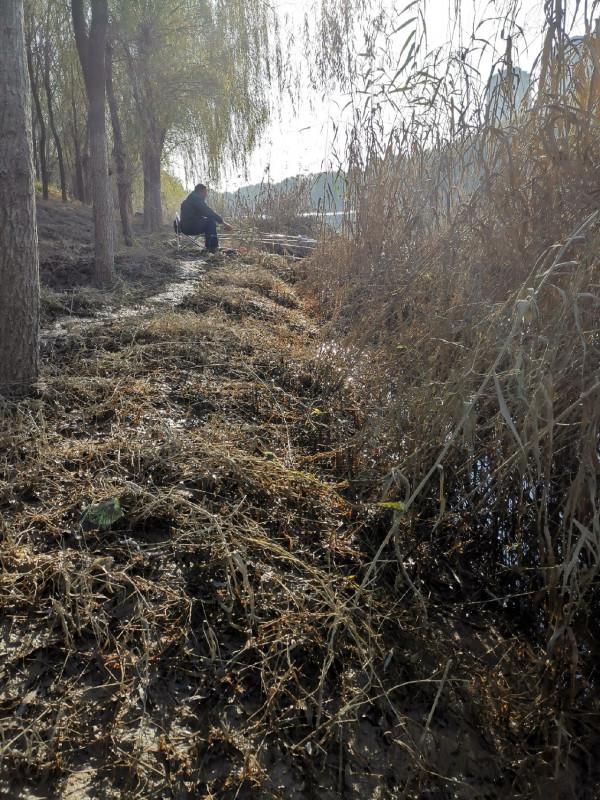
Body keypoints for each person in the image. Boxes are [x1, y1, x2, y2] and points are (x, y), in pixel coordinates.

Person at [179, 183, 233, 252]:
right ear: (200, 192)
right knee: (210, 221)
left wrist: (219, 224)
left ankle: (210, 246)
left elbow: (203, 214)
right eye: (205, 192)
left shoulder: (191, 199)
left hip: (186, 226)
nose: (206, 194)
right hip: (189, 227)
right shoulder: (196, 200)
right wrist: (223, 223)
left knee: (209, 221)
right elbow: (208, 212)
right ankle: (212, 247)